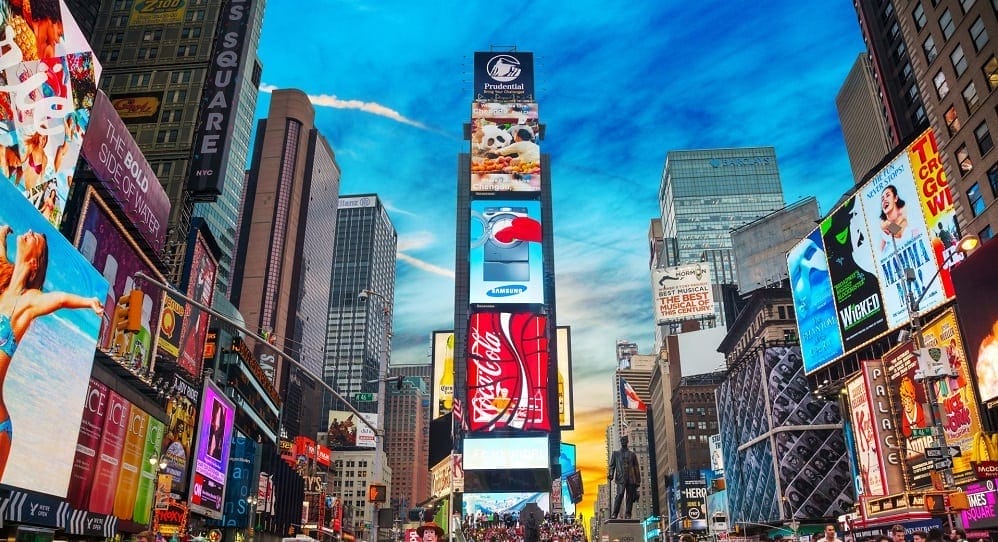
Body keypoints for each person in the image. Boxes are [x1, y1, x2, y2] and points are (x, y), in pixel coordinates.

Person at [0, 226, 102, 477]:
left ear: (35, 263)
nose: (32, 231)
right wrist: (2, 235)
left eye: (38, 240)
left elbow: (59, 299)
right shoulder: (2, 288)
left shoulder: (29, 301)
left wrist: (88, 302)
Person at [608, 435, 640, 519]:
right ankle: (615, 513)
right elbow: (612, 466)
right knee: (619, 495)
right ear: (620, 442)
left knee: (629, 496)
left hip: (631, 478)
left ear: (627, 441)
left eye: (625, 440)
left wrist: (638, 481)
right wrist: (611, 474)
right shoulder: (616, 454)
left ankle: (628, 513)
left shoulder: (632, 454)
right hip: (621, 478)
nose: (623, 441)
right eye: (622, 440)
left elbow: (636, 467)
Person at [879, 184, 911, 253]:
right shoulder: (882, 223)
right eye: (882, 199)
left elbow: (899, 233)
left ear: (895, 198)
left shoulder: (904, 215)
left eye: (887, 195)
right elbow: (881, 250)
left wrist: (888, 224)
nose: (884, 200)